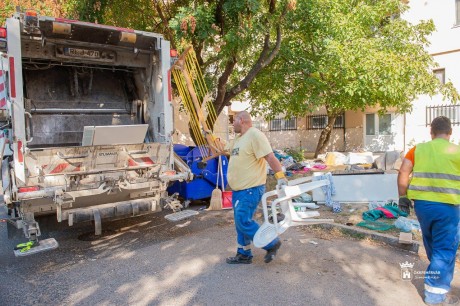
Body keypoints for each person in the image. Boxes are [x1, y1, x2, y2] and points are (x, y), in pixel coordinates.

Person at [398, 116, 460, 305]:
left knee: (433, 244)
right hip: (448, 207)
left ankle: (437, 277)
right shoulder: (457, 151)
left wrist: (403, 197)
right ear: (450, 133)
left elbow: (403, 172)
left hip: (423, 207)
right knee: (445, 249)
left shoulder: (418, 149)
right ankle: (435, 295)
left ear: (431, 132)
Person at [225, 111, 288, 264]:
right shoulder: (239, 139)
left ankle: (271, 243)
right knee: (240, 222)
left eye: (234, 121)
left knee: (242, 220)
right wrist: (209, 136)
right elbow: (221, 149)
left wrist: (280, 176)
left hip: (250, 189)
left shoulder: (255, 135)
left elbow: (270, 157)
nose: (232, 124)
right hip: (239, 190)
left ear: (241, 120)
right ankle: (244, 253)